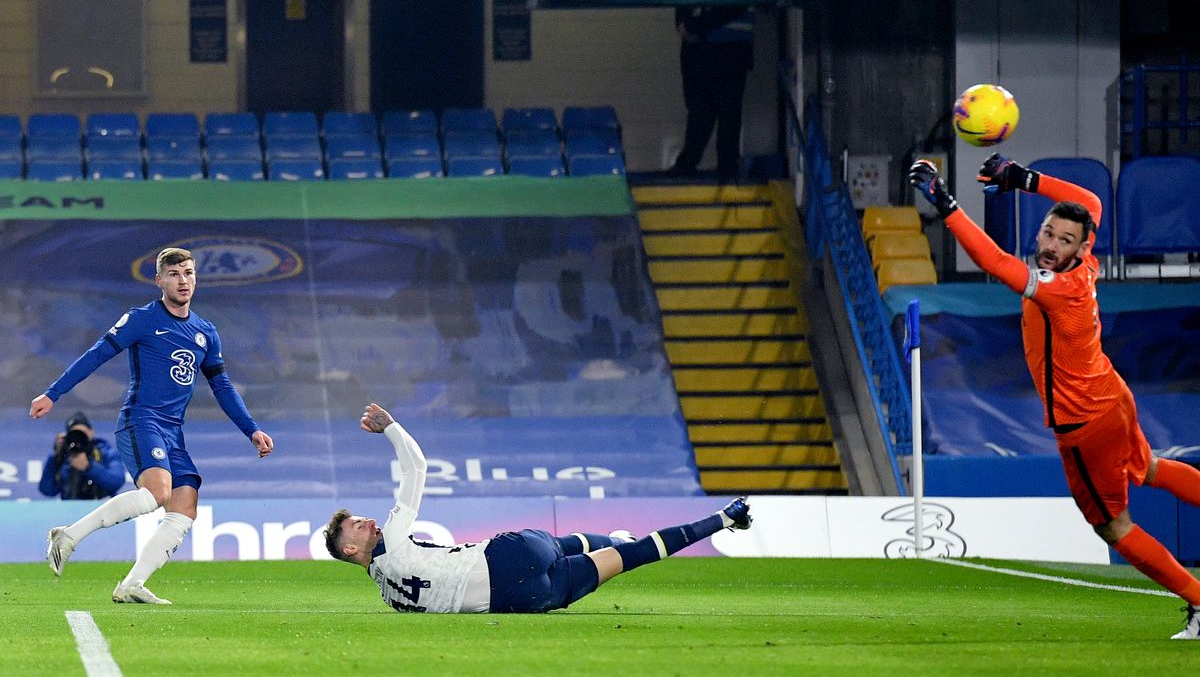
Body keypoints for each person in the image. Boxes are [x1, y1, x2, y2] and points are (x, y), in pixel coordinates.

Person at [909, 153, 1200, 641]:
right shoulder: (1086, 261)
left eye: (1064, 241)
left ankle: (1196, 599)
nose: (1050, 245)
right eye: (1048, 232)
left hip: (1084, 424)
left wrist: (947, 203)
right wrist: (1022, 178)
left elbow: (992, 261)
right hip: (1112, 394)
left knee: (1113, 526)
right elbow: (1086, 200)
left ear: (1081, 247)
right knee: (1147, 469)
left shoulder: (1057, 288)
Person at [323, 402, 752, 614]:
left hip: (521, 599)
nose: (370, 522)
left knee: (626, 560)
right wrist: (392, 427)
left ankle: (722, 520)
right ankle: (716, 517)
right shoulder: (394, 540)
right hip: (510, 557)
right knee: (567, 544)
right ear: (349, 550)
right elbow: (416, 468)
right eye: (359, 526)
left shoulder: (389, 598)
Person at [29, 247, 274, 605]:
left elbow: (221, 386)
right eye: (174, 274)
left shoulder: (206, 332)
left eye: (188, 273)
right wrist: (53, 393)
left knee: (185, 505)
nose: (183, 280)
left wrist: (251, 428)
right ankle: (68, 535)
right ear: (159, 281)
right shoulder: (142, 319)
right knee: (158, 494)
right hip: (141, 419)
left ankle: (131, 584)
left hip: (173, 429)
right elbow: (97, 354)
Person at [668, 5, 754, 183]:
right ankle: (696, 164)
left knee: (726, 110)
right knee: (701, 109)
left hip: (729, 45)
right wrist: (686, 25)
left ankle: (724, 167)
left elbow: (735, 4)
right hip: (706, 45)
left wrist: (692, 26)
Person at [38, 411, 126, 500]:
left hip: (102, 508)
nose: (79, 438)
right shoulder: (64, 455)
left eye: (82, 433)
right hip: (70, 510)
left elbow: (117, 481)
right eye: (75, 434)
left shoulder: (105, 451)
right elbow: (47, 490)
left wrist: (88, 467)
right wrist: (56, 456)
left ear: (91, 432)